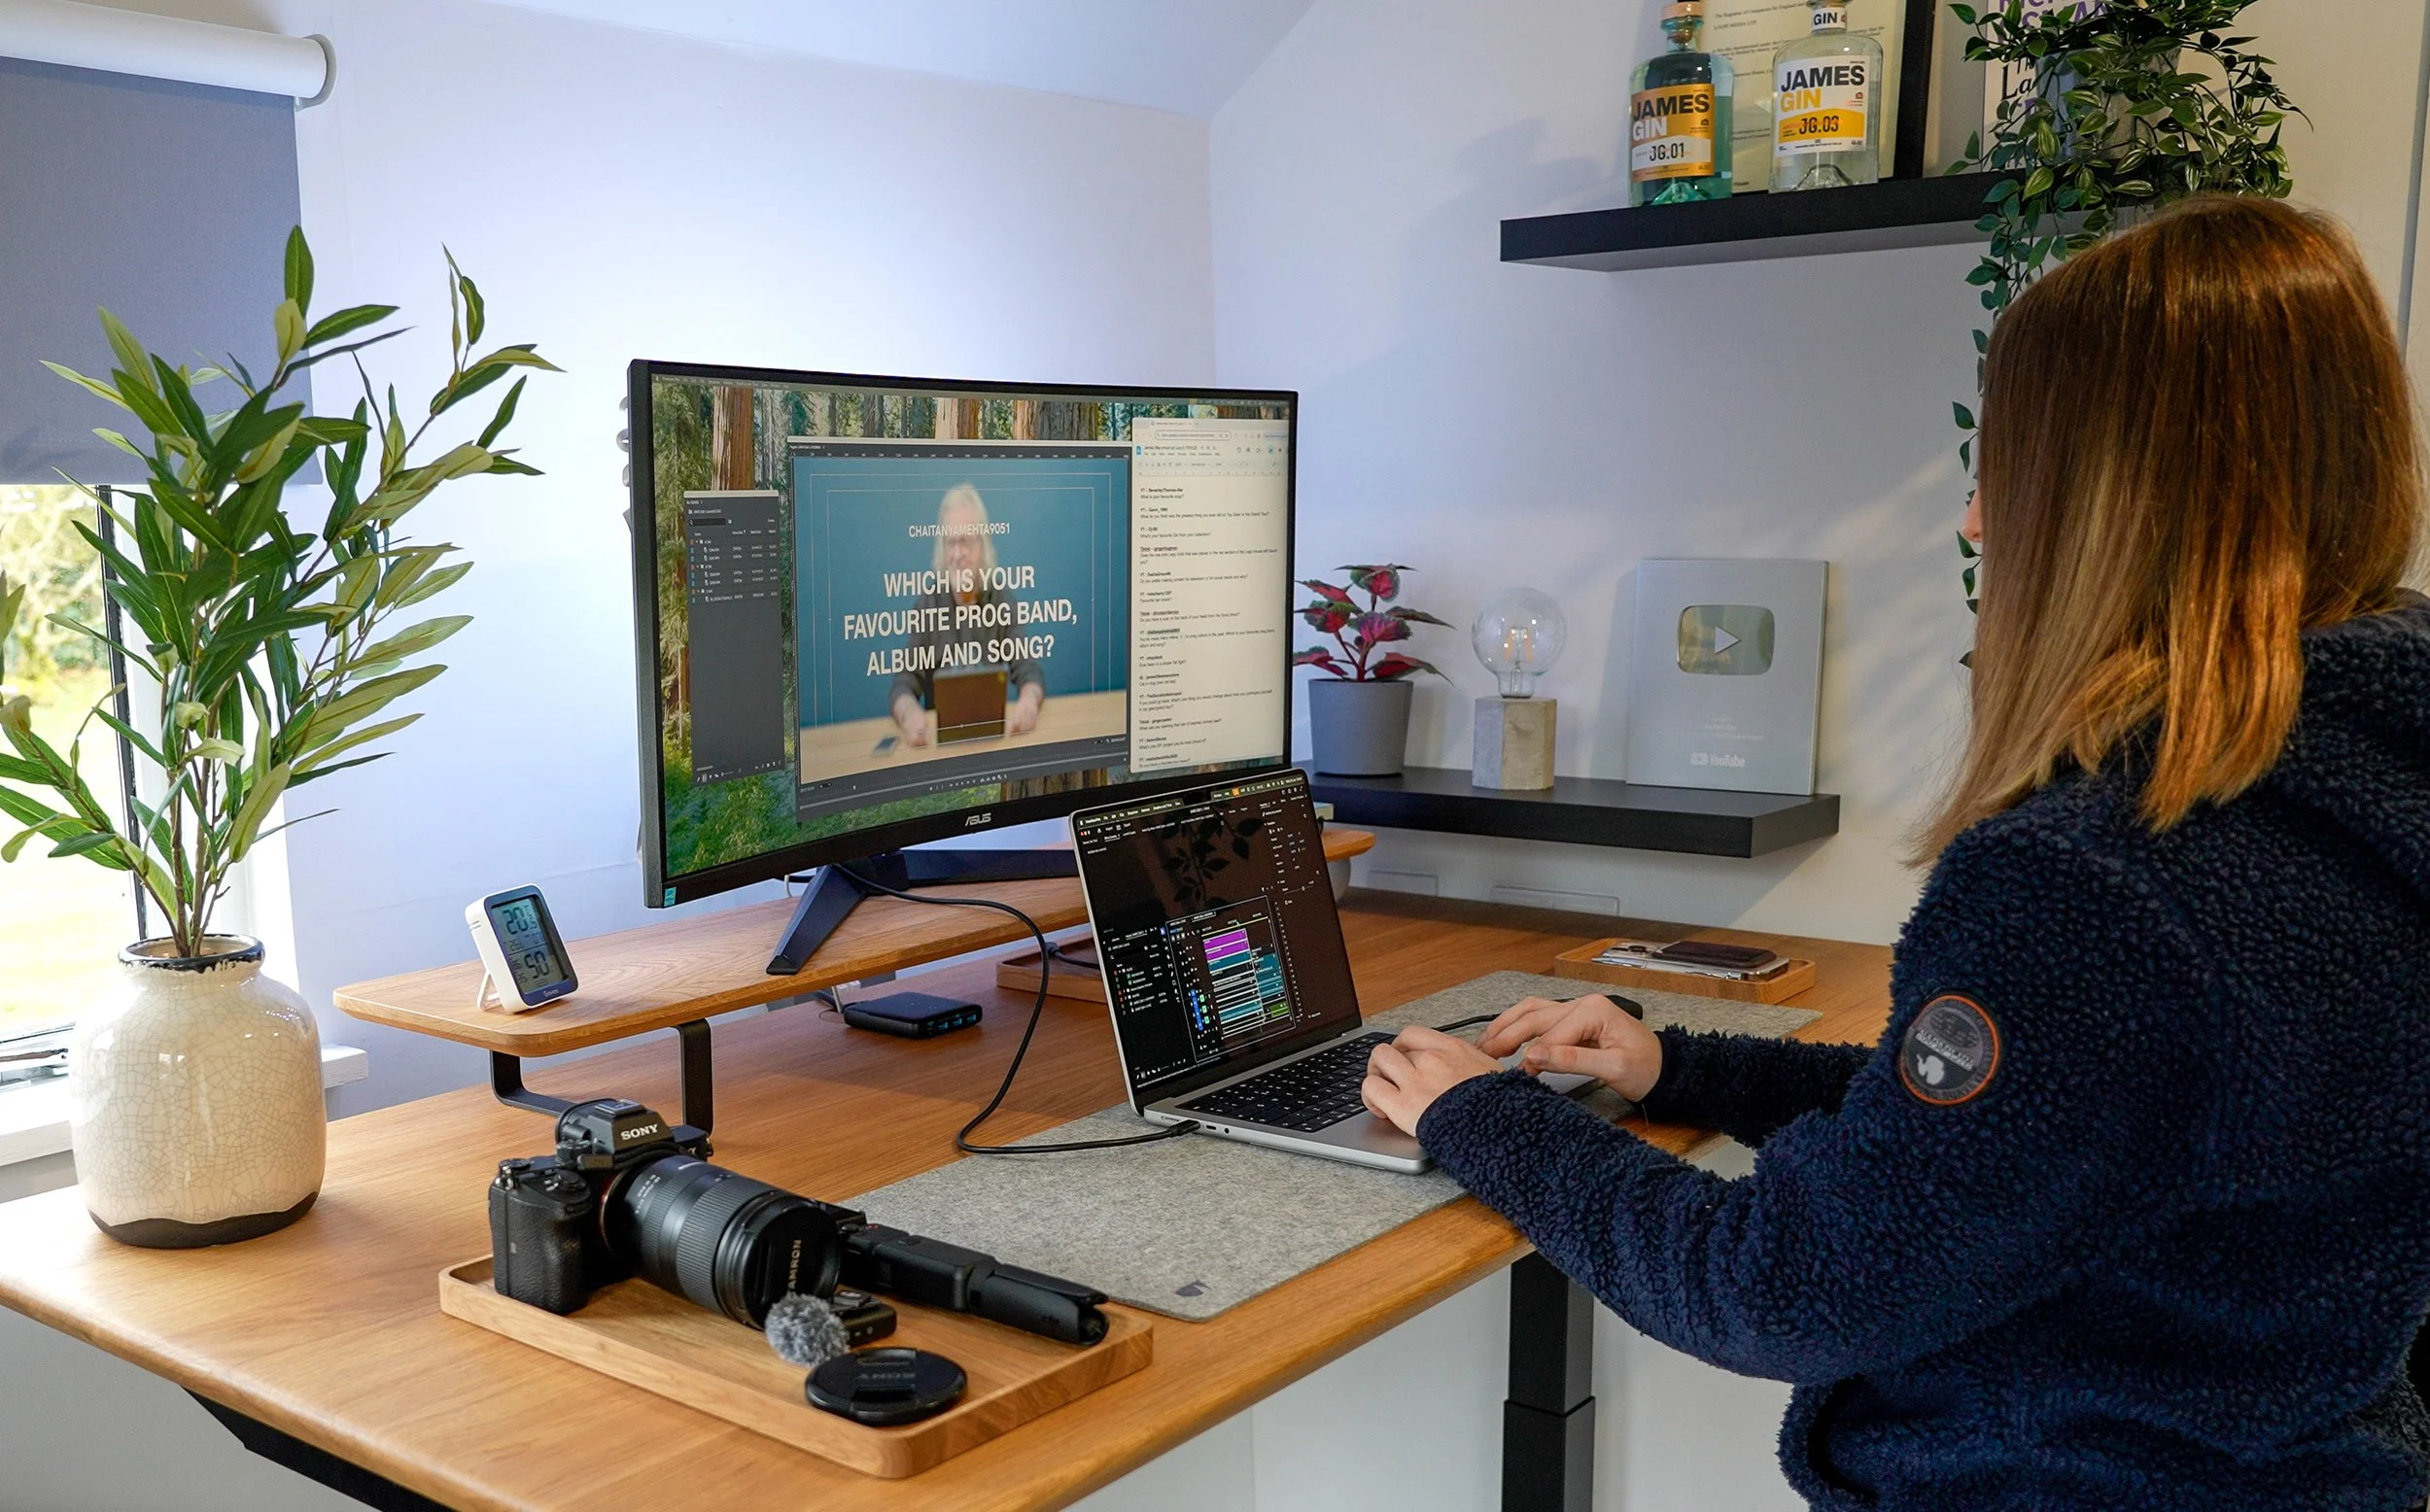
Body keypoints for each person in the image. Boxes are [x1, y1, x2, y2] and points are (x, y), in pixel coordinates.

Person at [1362, 195, 2430, 1510]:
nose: (1980, 520)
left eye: (2005, 466)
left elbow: (1779, 1286)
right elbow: (2054, 1129)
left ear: (2103, 500)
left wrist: (1485, 1118)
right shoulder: (2361, 790)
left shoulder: (2103, 883)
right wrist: (1682, 1065)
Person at [888, 483, 1045, 745]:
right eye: (950, 542)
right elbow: (904, 682)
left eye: (966, 541)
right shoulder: (927, 604)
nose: (957, 554)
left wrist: (1029, 702)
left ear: (982, 546)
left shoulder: (1001, 598)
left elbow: (1028, 669)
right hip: (940, 747)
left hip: (994, 742)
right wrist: (909, 715)